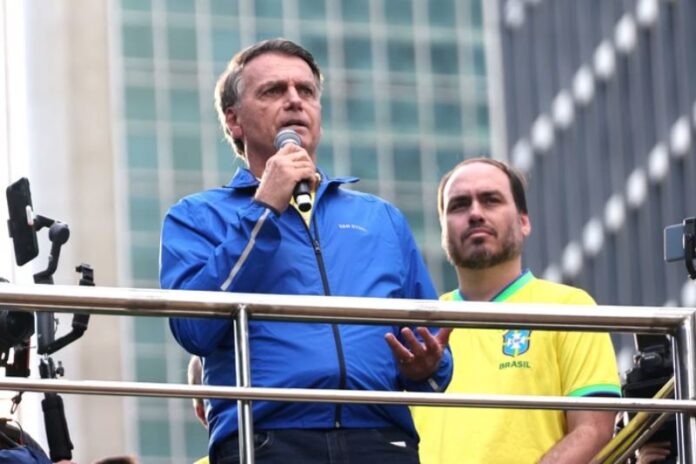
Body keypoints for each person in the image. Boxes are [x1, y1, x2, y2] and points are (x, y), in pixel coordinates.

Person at [160, 38, 453, 464]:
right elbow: (193, 329)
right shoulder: (195, 216)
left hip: (380, 440)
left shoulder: (381, 218)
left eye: (307, 91)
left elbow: (435, 357)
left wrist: (426, 367)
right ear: (234, 120)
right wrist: (265, 209)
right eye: (273, 90)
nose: (295, 100)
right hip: (265, 440)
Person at [412, 158, 622, 463]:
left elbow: (593, 430)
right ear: (443, 231)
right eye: (459, 205)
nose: (475, 213)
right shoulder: (419, 323)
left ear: (524, 221)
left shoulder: (570, 308)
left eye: (490, 200)